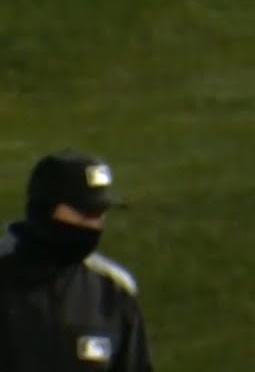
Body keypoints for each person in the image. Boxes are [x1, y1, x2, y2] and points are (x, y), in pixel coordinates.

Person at [0, 149, 154, 371]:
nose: (95, 223)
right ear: (45, 209)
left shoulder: (113, 291)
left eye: (100, 213)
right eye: (86, 212)